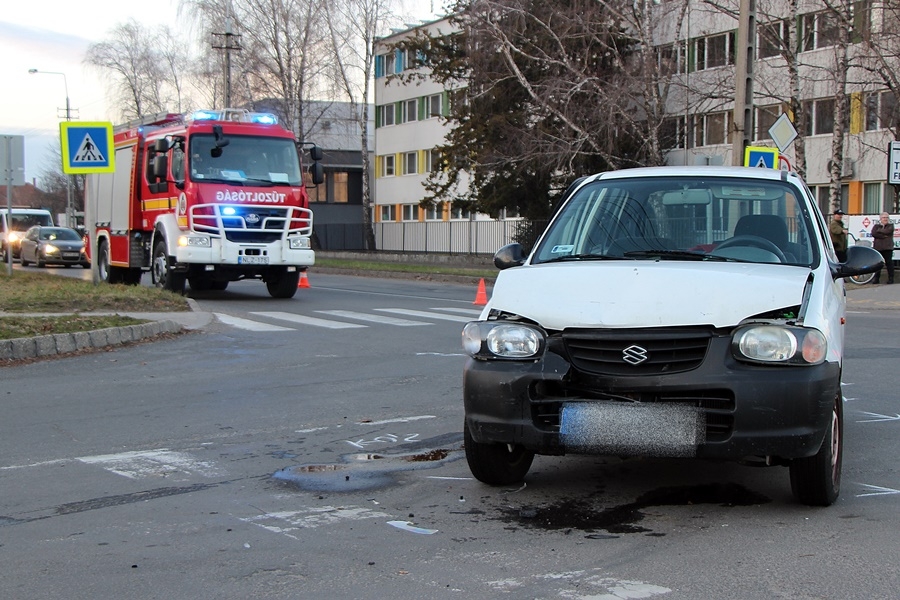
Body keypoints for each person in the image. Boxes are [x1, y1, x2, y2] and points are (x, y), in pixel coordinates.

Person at [870, 212, 895, 284]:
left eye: (887, 217)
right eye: (884, 218)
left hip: (887, 248)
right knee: (877, 264)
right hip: (878, 248)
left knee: (889, 263)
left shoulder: (891, 226)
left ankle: (891, 278)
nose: (885, 219)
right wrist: (884, 236)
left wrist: (879, 232)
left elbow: (888, 231)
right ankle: (876, 279)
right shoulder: (876, 226)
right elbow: (874, 233)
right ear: (880, 219)